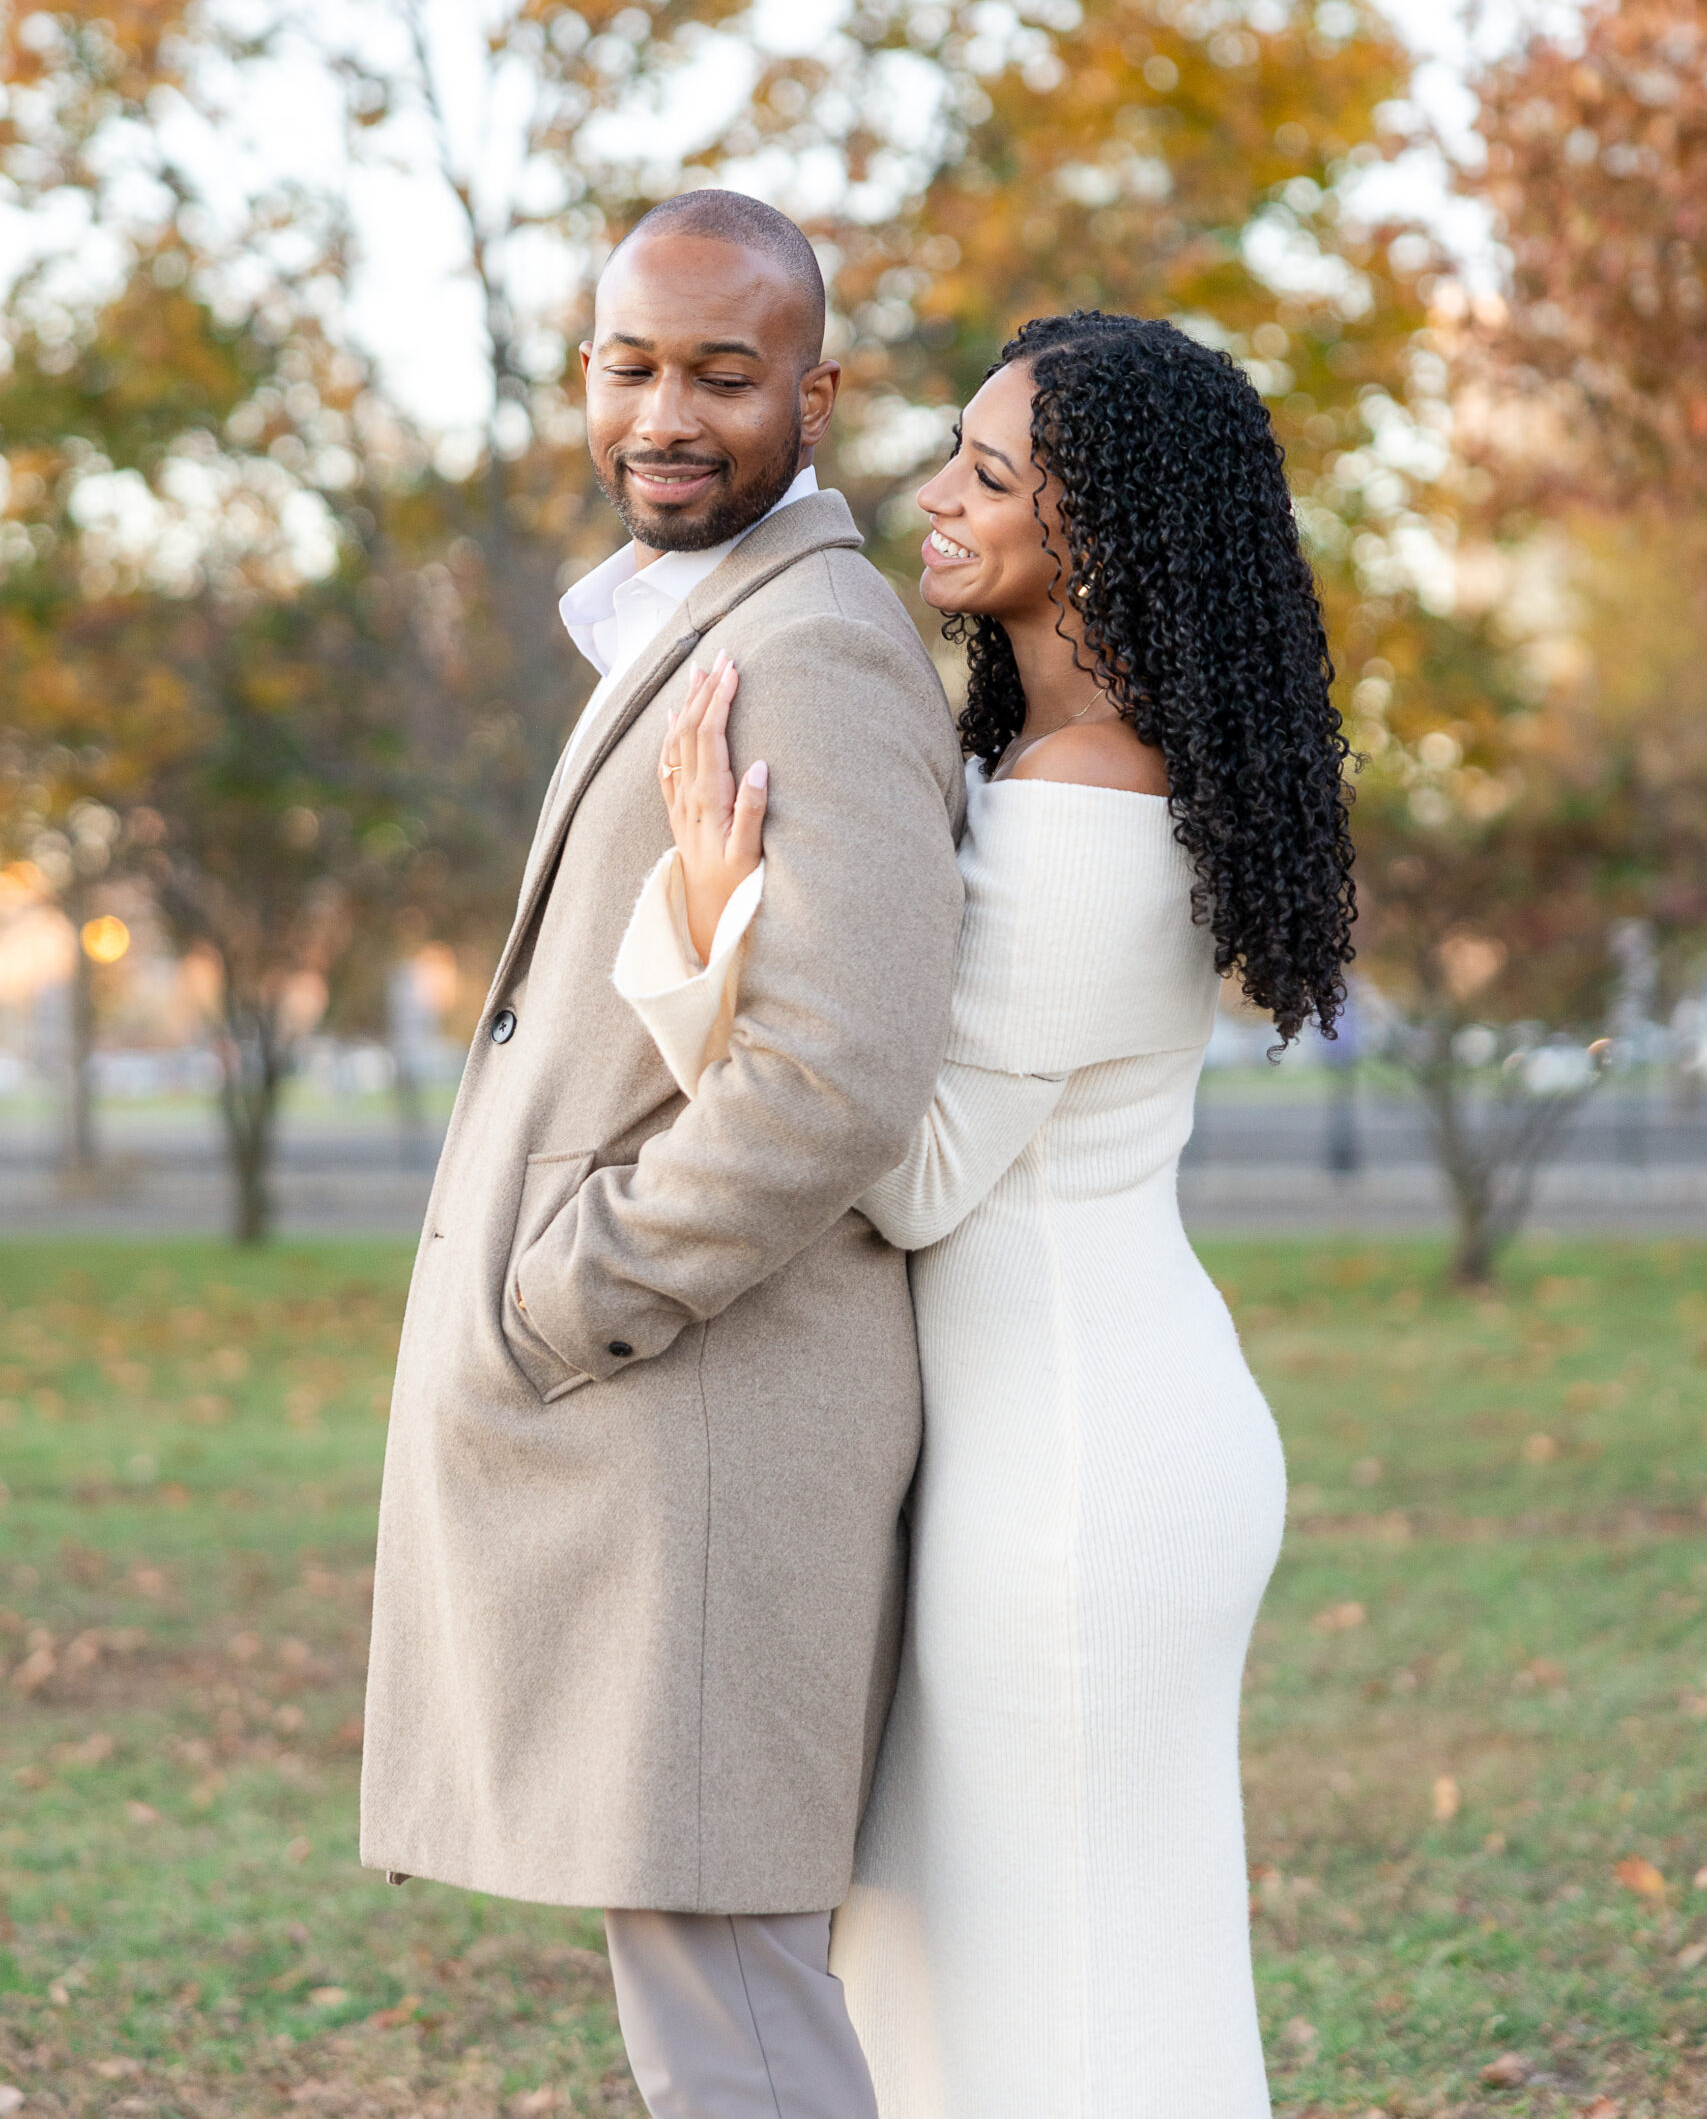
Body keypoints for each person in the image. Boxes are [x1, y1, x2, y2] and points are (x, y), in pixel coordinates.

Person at [616, 311, 1356, 2119]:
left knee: (1079, 2008)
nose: (932, 496)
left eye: (991, 477)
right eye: (953, 449)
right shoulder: (1076, 764)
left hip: (1078, 1472)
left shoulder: (1079, 800)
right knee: (1022, 1976)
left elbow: (919, 1169)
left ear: (1097, 535)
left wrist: (730, 932)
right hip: (1078, 1435)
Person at [360, 189, 967, 2119]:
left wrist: (571, 1292)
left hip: (704, 1427)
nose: (668, 414)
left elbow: (834, 1078)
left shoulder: (819, 645)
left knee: (736, 2029)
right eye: (633, 366)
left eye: (727, 372)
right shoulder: (699, 615)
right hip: (663, 1431)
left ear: (818, 389)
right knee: (704, 2000)